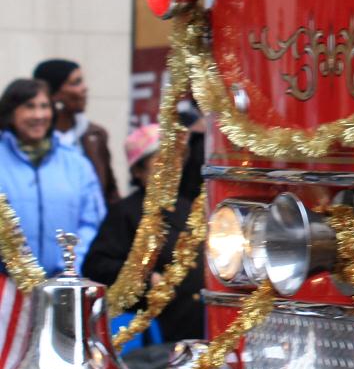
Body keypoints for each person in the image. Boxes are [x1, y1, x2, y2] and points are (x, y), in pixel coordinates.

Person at [83, 124, 205, 344]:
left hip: (196, 328)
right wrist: (146, 279)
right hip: (153, 336)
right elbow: (97, 266)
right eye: (159, 163)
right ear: (138, 171)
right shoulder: (126, 213)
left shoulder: (191, 209)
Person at [0, 78, 104, 275]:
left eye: (44, 106)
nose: (38, 115)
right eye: (29, 107)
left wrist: (70, 266)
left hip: (63, 286)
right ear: (10, 112)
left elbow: (92, 223)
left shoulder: (76, 164)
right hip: (5, 289)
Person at [33, 59, 118, 205]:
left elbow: (110, 193)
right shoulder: (32, 138)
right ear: (54, 94)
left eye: (82, 81)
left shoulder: (96, 135)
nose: (85, 88)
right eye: (75, 83)